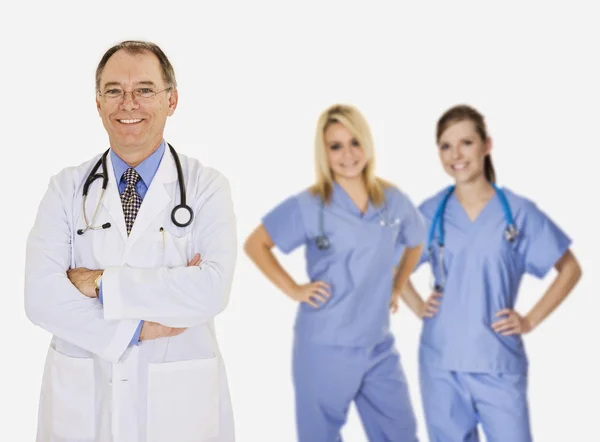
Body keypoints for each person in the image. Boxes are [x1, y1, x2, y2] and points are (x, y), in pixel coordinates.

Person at [24, 40, 237, 442]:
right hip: (82, 405)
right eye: (114, 90)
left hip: (179, 406)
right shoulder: (66, 189)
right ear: (99, 103)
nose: (128, 104)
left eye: (144, 89)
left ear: (171, 100)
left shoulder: (206, 187)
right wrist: (137, 328)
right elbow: (40, 297)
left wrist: (98, 282)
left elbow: (210, 291)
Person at [396, 104, 582, 441]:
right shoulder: (429, 213)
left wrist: (530, 320)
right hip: (441, 364)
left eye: (466, 142)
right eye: (445, 146)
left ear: (486, 145)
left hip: (497, 361)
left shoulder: (518, 213)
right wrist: (417, 305)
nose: (456, 154)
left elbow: (569, 268)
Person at [244, 104, 424, 442]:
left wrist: (397, 286)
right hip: (325, 345)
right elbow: (257, 243)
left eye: (355, 142)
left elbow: (416, 241)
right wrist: (295, 289)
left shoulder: (392, 199)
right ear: (324, 153)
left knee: (401, 433)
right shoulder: (311, 204)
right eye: (335, 146)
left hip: (377, 345)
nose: (348, 154)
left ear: (367, 144)